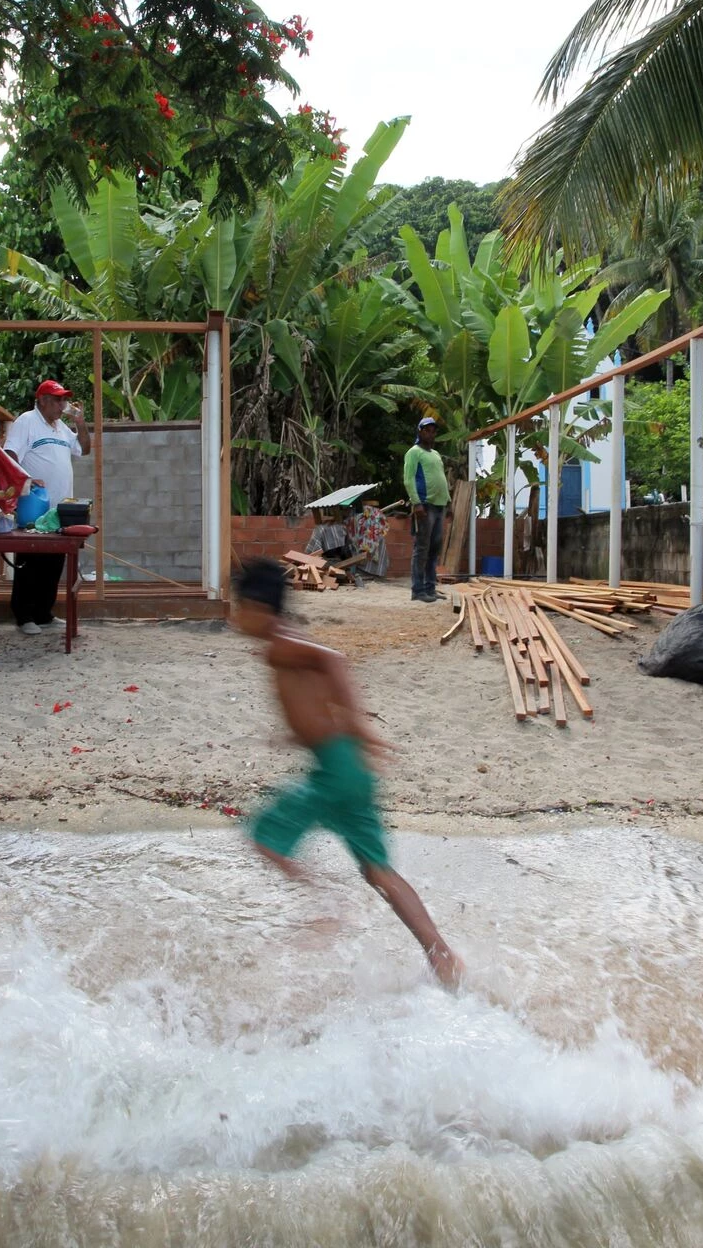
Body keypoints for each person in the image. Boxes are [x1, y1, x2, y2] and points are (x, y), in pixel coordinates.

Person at [234, 558, 464, 989]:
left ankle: (327, 906)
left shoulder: (280, 644)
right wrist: (299, 735)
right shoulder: (281, 645)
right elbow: (314, 701)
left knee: (264, 835)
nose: (234, 618)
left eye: (238, 607)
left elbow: (335, 660)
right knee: (379, 871)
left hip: (338, 767)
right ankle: (442, 954)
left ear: (258, 607)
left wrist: (358, 723)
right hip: (346, 764)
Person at [4, 379, 91, 636]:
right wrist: (27, 480)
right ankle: (24, 615)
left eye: (64, 399)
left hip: (61, 508)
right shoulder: (27, 422)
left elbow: (84, 450)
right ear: (42, 400)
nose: (62, 404)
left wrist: (81, 424)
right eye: (57, 400)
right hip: (35, 506)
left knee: (54, 562)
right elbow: (10, 455)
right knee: (31, 561)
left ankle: (44, 613)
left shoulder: (61, 428)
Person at [403, 415, 450, 603]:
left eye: (433, 431)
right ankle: (418, 590)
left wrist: (449, 502)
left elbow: (441, 479)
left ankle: (431, 588)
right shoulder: (414, 453)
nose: (431, 434)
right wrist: (416, 503)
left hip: (439, 506)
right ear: (420, 432)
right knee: (422, 548)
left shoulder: (436, 455)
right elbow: (408, 479)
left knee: (434, 549)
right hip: (425, 505)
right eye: (427, 430)